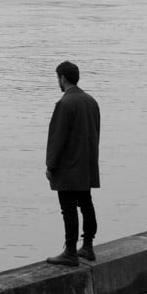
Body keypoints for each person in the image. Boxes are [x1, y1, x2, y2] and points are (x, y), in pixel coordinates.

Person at [45, 60, 101, 266]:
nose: (58, 82)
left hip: (69, 167)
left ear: (63, 78)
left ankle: (70, 251)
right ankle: (87, 246)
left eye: (57, 78)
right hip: (86, 164)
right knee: (86, 203)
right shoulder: (91, 101)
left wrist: (51, 166)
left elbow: (57, 138)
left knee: (68, 209)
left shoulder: (65, 104)